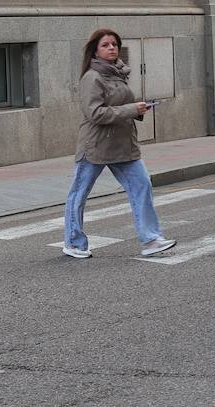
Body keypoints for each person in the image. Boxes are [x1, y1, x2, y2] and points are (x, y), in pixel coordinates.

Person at [62, 28, 177, 259]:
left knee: (142, 184)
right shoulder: (91, 78)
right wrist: (131, 109)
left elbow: (119, 105)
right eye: (105, 45)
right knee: (79, 193)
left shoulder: (117, 74)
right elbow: (95, 113)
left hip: (123, 145)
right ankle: (73, 243)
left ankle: (151, 240)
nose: (112, 48)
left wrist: (138, 109)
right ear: (95, 50)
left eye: (114, 44)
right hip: (95, 146)